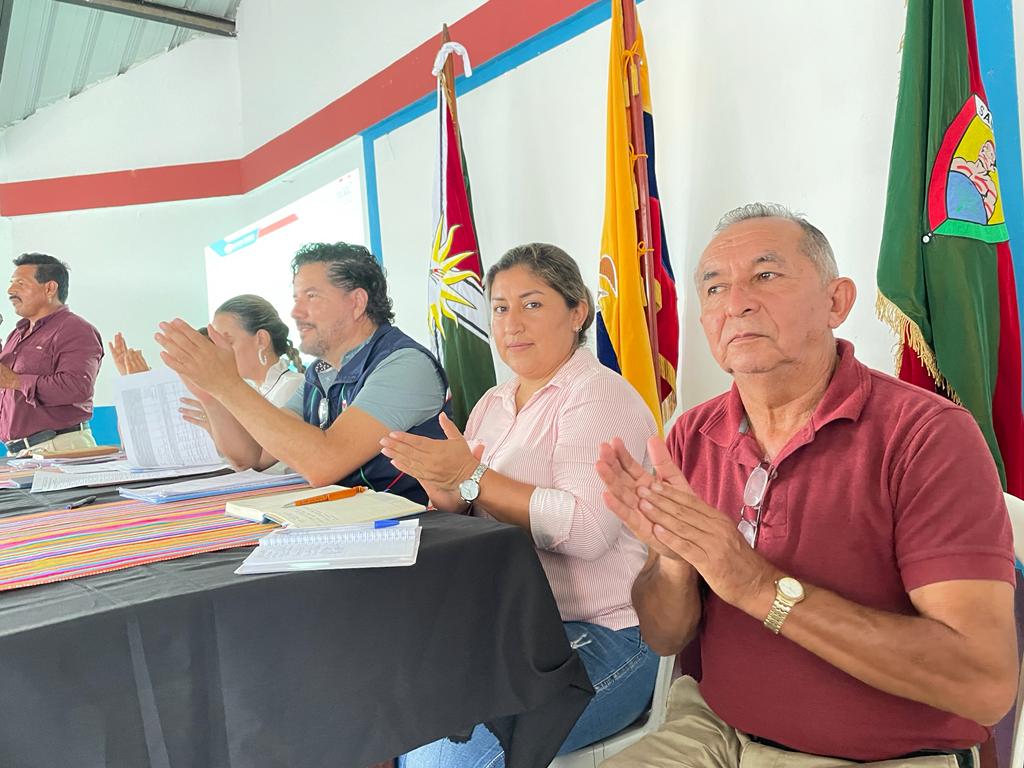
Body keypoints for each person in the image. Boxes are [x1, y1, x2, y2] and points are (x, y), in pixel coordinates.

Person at [597, 204, 1018, 767]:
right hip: (713, 729)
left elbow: (983, 685)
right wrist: (674, 562)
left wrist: (756, 586)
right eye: (715, 288)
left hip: (881, 756)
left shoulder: (926, 436)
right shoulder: (690, 436)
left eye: (766, 275)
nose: (736, 302)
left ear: (836, 302)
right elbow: (665, 638)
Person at [381, 243, 661, 766]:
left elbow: (587, 531)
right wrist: (447, 491)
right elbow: (472, 514)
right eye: (500, 307)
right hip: (514, 629)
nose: (512, 323)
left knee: (450, 759)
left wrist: (472, 477)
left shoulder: (597, 394)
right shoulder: (492, 402)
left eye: (532, 304)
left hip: (608, 632)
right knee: (394, 712)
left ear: (577, 311)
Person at [155, 242, 449, 503]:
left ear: (356, 303)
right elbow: (253, 456)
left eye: (311, 296)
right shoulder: (320, 373)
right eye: (296, 298)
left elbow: (324, 463)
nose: (295, 312)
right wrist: (212, 394)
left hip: (410, 532)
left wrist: (228, 384)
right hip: (349, 522)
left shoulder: (404, 365)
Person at [0, 253, 103, 454]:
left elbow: (77, 387)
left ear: (49, 288)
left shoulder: (74, 329)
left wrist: (15, 381)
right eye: (11, 283)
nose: (10, 290)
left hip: (59, 448)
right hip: (21, 453)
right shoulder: (16, 334)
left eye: (20, 283)